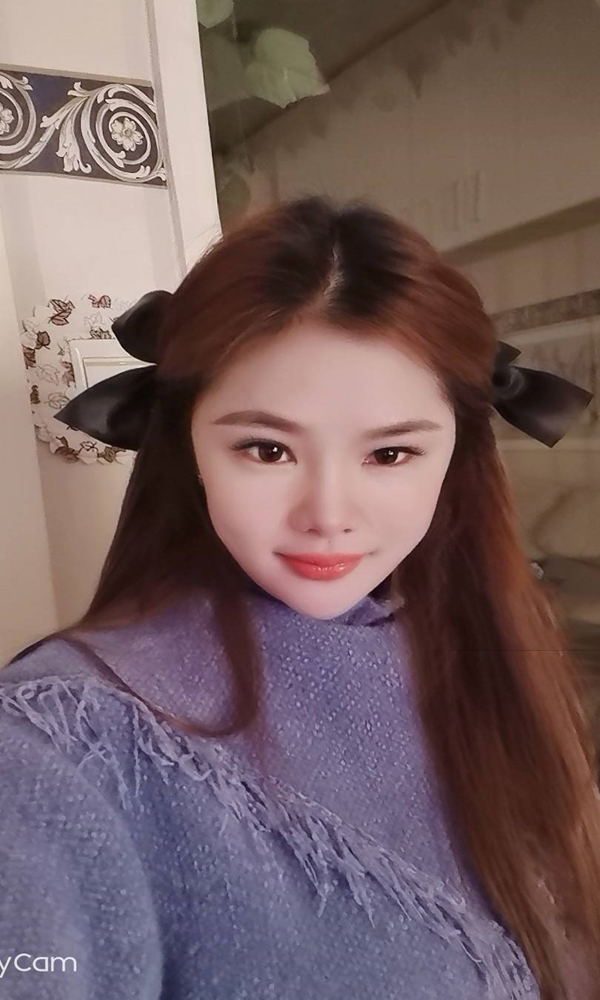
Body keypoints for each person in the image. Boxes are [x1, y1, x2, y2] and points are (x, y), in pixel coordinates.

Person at [0, 196, 598, 1000]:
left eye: (390, 454)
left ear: (456, 454)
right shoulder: (59, 741)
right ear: (188, 444)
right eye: (267, 448)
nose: (328, 515)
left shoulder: (492, 662)